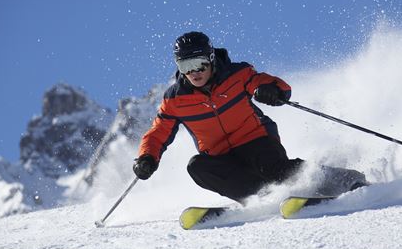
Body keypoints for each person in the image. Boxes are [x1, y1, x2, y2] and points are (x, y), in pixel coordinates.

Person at [133, 31, 366, 203]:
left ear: (211, 58)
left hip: (256, 139)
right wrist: (147, 158)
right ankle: (265, 197)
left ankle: (344, 180)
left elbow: (270, 83)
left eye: (199, 63)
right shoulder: (175, 99)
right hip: (220, 155)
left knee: (274, 168)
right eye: (185, 65)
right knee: (197, 167)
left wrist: (270, 90)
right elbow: (158, 134)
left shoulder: (237, 74)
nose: (194, 72)